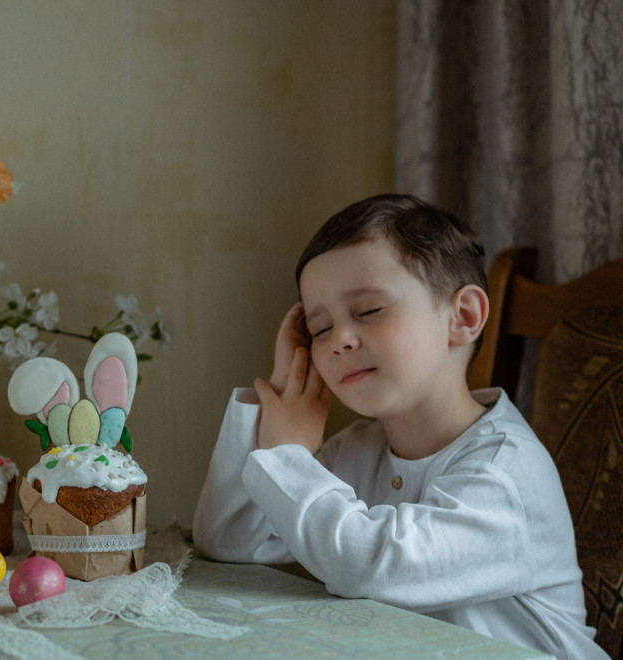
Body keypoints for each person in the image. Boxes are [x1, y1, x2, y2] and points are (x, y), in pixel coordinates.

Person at [192, 194, 607, 659]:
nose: (339, 340)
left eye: (369, 310)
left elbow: (368, 565)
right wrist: (280, 395)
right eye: (319, 328)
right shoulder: (357, 450)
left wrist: (287, 456)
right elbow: (228, 540)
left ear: (463, 318)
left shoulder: (505, 474)